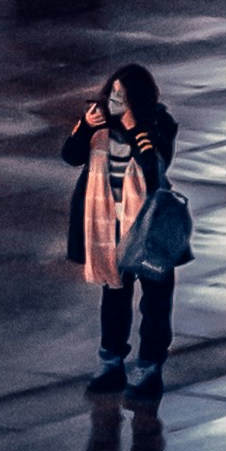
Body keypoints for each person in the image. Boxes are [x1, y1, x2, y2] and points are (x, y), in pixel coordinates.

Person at [65, 58, 183, 403]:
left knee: (156, 302)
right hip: (111, 226)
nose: (114, 102)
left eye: (122, 96)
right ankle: (111, 362)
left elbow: (153, 168)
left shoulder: (159, 123)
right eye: (112, 94)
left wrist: (135, 128)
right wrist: (85, 128)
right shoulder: (99, 125)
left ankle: (149, 368)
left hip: (149, 228)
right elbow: (70, 155)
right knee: (115, 296)